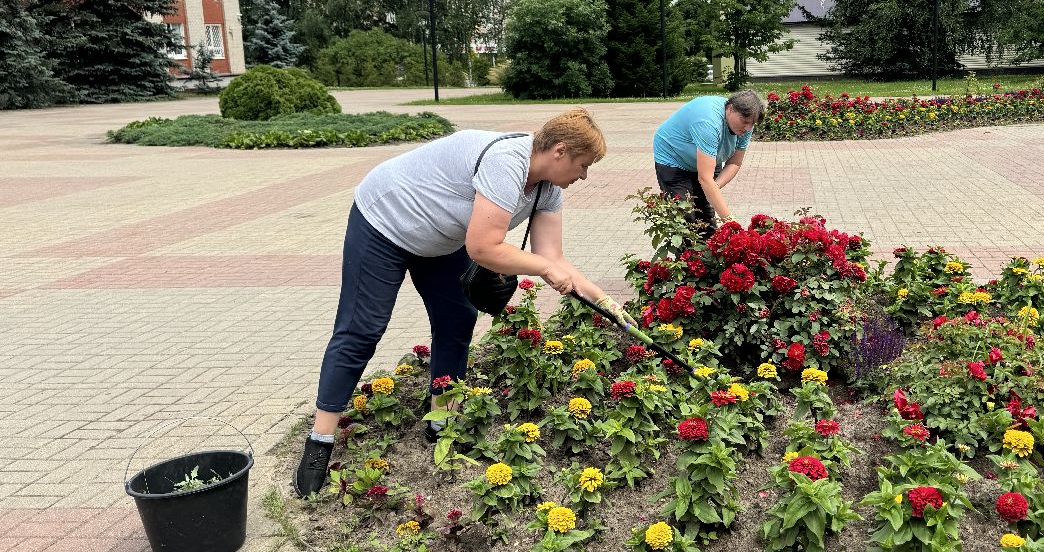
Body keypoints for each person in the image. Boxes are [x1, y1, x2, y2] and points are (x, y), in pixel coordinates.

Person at [294, 109, 630, 496]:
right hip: (385, 222)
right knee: (363, 328)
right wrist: (543, 269)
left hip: (439, 240)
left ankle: (441, 418)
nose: (584, 176)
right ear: (559, 151)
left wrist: (605, 302)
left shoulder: (547, 189)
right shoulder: (507, 163)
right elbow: (484, 247)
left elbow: (553, 257)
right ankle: (320, 441)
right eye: (583, 165)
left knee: (457, 318)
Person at [652, 89, 763, 233]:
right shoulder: (708, 122)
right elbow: (705, 179)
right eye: (745, 122)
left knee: (706, 216)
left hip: (709, 157)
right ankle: (687, 254)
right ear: (730, 109)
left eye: (752, 123)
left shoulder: (746, 126)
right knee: (685, 218)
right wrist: (731, 223)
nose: (748, 128)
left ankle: (708, 253)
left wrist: (712, 188)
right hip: (673, 158)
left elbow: (734, 163)